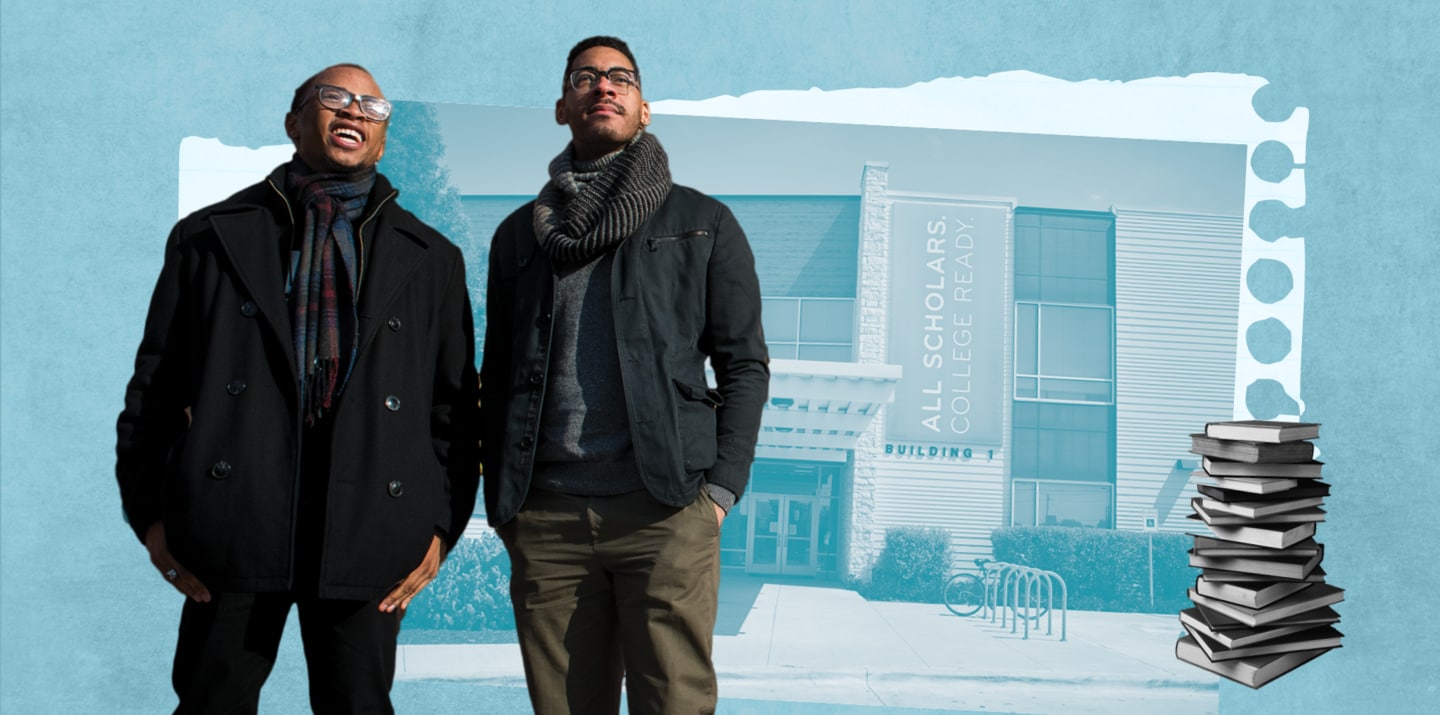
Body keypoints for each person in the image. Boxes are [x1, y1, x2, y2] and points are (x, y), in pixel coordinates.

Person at [115, 63, 480, 714]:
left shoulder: (431, 257)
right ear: (293, 122)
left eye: (373, 105)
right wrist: (149, 516)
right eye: (334, 97)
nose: (355, 110)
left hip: (369, 525)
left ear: (382, 140)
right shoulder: (209, 237)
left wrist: (439, 528)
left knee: (357, 705)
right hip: (234, 520)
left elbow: (452, 411)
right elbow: (154, 389)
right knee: (212, 703)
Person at [479, 36, 770, 714]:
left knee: (674, 703)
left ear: (644, 108)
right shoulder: (519, 235)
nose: (603, 86)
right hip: (547, 515)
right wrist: (506, 504)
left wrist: (720, 490)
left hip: (665, 509)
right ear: (562, 106)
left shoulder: (702, 222)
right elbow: (498, 371)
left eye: (621, 77)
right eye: (585, 77)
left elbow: (744, 364)